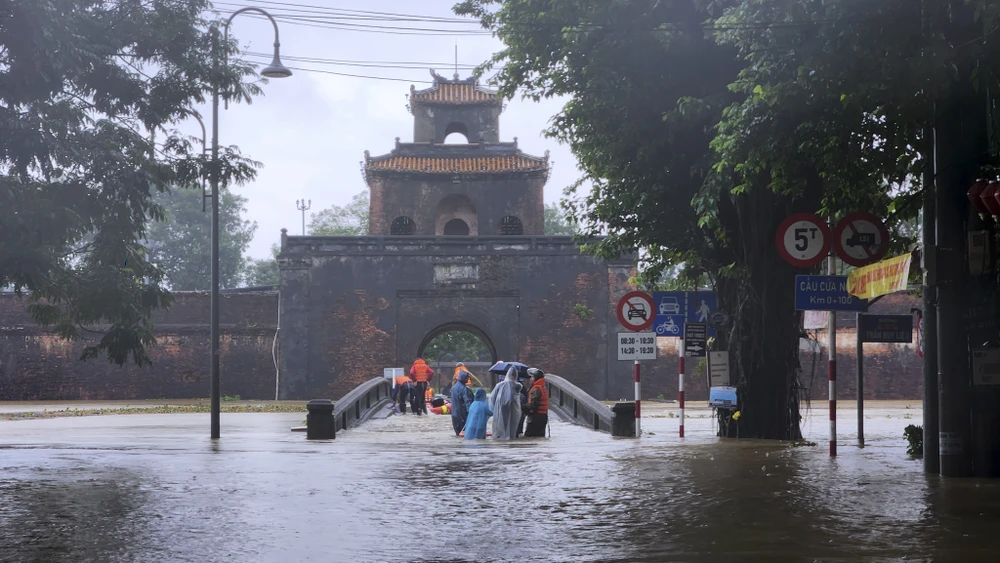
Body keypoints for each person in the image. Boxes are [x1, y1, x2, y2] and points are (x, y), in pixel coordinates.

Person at [489, 367, 522, 440]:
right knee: (512, 426)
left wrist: (494, 408)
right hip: (513, 409)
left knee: (501, 425)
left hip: (501, 408)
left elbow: (492, 397)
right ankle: (511, 438)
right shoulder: (518, 385)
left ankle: (501, 439)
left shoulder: (499, 385)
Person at [523, 368, 549, 437]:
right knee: (539, 437)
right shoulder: (542, 387)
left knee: (529, 437)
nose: (530, 379)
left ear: (536, 378)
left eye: (532, 377)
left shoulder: (536, 389)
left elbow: (533, 405)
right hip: (542, 417)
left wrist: (522, 406)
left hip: (535, 418)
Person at [449, 372, 474, 436]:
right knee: (464, 434)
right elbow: (467, 402)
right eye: (467, 378)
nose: (468, 379)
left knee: (458, 434)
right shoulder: (464, 389)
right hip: (462, 415)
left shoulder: (453, 388)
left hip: (454, 415)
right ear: (463, 378)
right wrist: (471, 413)